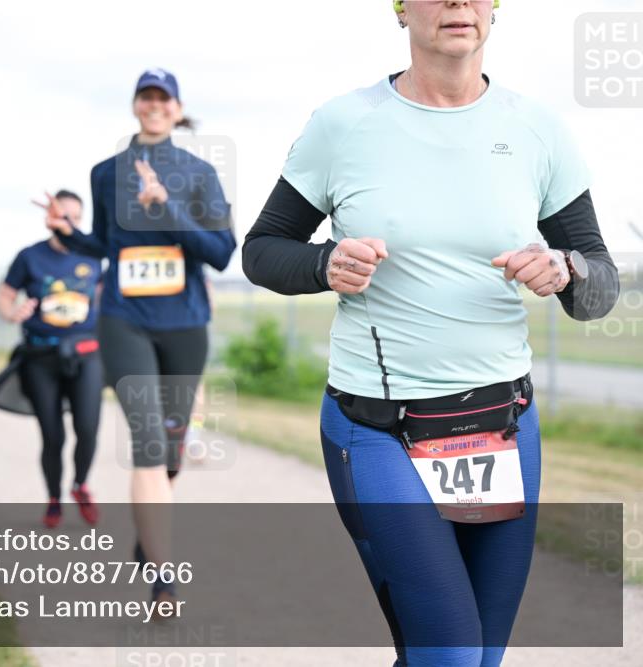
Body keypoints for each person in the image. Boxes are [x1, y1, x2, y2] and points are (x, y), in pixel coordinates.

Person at [242, 2, 619, 665]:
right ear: (400, 8)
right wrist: (324, 263)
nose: (457, 2)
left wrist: (566, 269)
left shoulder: (537, 129)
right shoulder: (344, 124)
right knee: (450, 655)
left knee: (477, 657)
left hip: (504, 425)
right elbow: (263, 249)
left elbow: (600, 284)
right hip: (379, 428)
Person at [44, 68, 236, 607]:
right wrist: (69, 234)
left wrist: (165, 207)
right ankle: (163, 578)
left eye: (163, 98)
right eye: (145, 97)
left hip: (184, 325)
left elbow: (222, 253)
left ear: (177, 109)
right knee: (148, 444)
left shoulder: (199, 173)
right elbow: (106, 246)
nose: (154, 105)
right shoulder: (105, 173)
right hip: (123, 320)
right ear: (135, 105)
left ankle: (149, 534)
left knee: (170, 449)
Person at [0, 190, 104, 528]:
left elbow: (105, 296)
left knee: (88, 428)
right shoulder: (30, 257)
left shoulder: (94, 256)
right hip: (41, 356)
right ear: (50, 218)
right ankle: (54, 498)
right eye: (63, 215)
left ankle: (80, 485)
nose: (69, 222)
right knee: (53, 436)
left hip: (86, 355)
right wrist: (12, 312)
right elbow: (5, 296)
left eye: (76, 217)